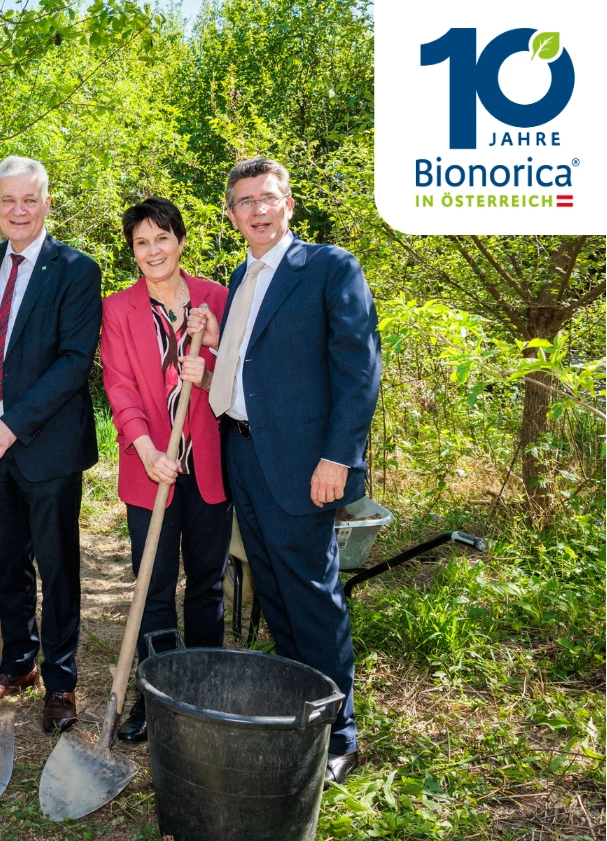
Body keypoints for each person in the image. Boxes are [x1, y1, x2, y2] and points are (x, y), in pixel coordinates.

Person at [188, 157, 380, 786]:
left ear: (289, 203)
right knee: (273, 589)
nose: (258, 210)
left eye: (268, 198)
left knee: (312, 596)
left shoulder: (328, 268)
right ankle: (302, 708)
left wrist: (338, 457)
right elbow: (251, 362)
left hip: (304, 465)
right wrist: (216, 339)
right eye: (245, 202)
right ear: (231, 213)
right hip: (242, 453)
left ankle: (340, 734)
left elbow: (358, 371)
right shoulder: (243, 275)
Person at [0, 156, 102, 733]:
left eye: (28, 200)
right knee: (7, 559)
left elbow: (72, 363)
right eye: (7, 201)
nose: (17, 211)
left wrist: (11, 424)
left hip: (46, 443)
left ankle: (61, 682)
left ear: (46, 203)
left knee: (57, 565)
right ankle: (19, 663)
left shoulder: (75, 269)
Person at [99, 197, 232, 743]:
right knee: (153, 585)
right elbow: (120, 386)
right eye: (141, 243)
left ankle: (202, 694)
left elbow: (241, 378)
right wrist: (146, 448)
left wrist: (211, 365)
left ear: (180, 241)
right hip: (150, 465)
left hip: (207, 467)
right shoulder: (118, 309)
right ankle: (154, 700)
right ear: (133, 253)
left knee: (204, 583)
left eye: (162, 239)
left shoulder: (216, 299)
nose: (153, 251)